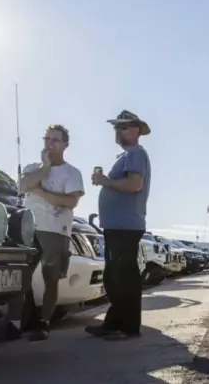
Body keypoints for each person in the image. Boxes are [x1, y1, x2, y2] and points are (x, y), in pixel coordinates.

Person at [86, 110, 152, 340]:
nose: (118, 131)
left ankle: (128, 328)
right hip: (117, 225)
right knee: (114, 276)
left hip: (126, 225)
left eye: (123, 127)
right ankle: (114, 323)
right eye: (116, 127)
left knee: (124, 276)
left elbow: (135, 184)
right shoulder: (125, 156)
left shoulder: (136, 153)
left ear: (136, 130)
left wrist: (105, 181)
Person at [20, 124, 85, 341]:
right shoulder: (33, 167)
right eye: (47, 139)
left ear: (65, 144)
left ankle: (44, 322)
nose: (50, 143)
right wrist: (44, 168)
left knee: (51, 277)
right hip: (28, 228)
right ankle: (15, 321)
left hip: (56, 230)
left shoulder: (72, 173)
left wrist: (39, 191)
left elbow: (69, 202)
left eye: (55, 140)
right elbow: (23, 186)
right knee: (20, 275)